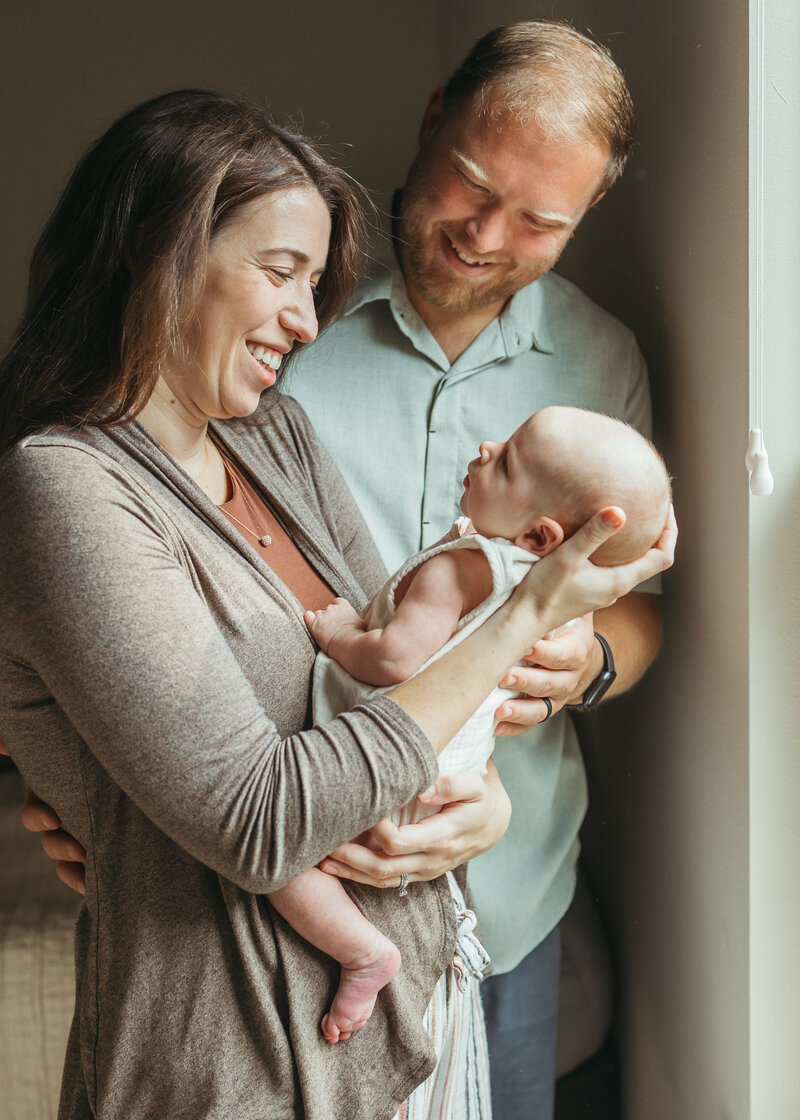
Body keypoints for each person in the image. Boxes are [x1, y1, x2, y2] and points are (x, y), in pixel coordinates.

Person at [0, 90, 674, 1120]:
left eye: (313, 284)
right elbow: (260, 817)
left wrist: (479, 814)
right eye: (278, 273)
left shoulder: (269, 436)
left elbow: (400, 692)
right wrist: (530, 608)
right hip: (241, 1062)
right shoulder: (66, 487)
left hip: (412, 1028)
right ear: (154, 251)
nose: (306, 321)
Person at [271, 407, 671, 1046]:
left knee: (280, 861)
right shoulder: (556, 606)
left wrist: (340, 632)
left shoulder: (458, 567)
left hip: (396, 765)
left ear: (541, 538)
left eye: (507, 458)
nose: (485, 447)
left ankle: (363, 955)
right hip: (451, 780)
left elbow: (395, 658)